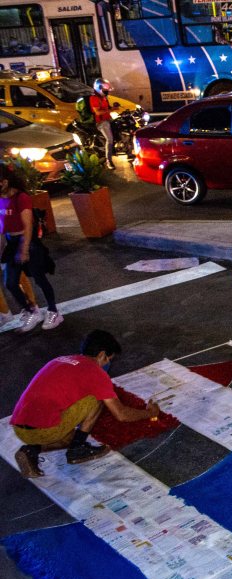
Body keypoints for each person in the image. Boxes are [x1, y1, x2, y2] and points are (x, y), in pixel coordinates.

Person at [10, 330, 161, 478]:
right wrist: (150, 413)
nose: (108, 364)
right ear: (101, 354)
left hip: (19, 427)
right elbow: (121, 414)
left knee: (69, 439)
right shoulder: (96, 373)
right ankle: (78, 448)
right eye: (109, 359)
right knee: (96, 398)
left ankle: (31, 450)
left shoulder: (59, 360)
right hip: (44, 429)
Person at [0, 165, 60, 333]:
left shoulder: (21, 197)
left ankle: (53, 311)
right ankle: (32, 311)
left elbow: (28, 226)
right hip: (11, 242)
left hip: (27, 241)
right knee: (10, 283)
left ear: (5, 181)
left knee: (40, 279)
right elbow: (1, 228)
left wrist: (24, 249)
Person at [90, 78, 116, 169]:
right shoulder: (94, 98)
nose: (107, 91)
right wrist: (109, 110)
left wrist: (113, 108)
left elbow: (107, 108)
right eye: (105, 89)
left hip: (108, 119)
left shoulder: (104, 97)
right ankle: (109, 161)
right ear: (99, 88)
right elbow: (97, 112)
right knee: (110, 139)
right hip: (101, 122)